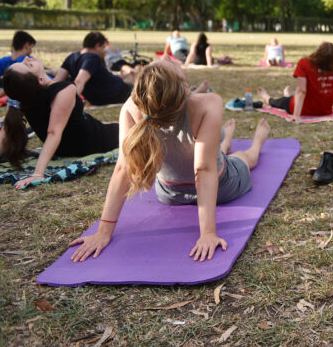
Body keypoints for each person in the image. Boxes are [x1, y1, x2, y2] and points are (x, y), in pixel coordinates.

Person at [69, 61, 271, 262]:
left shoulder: (132, 106)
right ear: (184, 88)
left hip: (169, 193)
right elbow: (203, 169)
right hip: (223, 188)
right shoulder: (208, 102)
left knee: (213, 151)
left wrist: (104, 231)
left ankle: (224, 143)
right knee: (243, 157)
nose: (166, 57)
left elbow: (123, 169)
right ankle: (256, 143)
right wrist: (207, 233)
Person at [0, 56, 119, 189]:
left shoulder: (24, 95)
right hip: (93, 141)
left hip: (66, 146)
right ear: (40, 79)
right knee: (124, 128)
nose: (27, 58)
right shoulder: (64, 90)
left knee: (111, 124)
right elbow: (53, 132)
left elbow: (6, 131)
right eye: (28, 65)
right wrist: (38, 174)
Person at [257, 42, 333, 123]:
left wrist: (296, 116)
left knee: (280, 102)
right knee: (289, 98)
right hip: (325, 111)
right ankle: (286, 95)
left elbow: (301, 91)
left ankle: (267, 98)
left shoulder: (304, 63)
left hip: (300, 109)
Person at [55, 32, 133, 106]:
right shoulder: (92, 58)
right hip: (118, 92)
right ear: (97, 46)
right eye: (103, 48)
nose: (104, 52)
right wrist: (70, 103)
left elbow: (57, 80)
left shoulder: (72, 57)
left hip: (109, 91)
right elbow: (79, 81)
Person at [0, 30, 36, 95]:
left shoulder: (1, 62)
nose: (31, 51)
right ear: (27, 45)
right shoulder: (30, 61)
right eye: (31, 47)